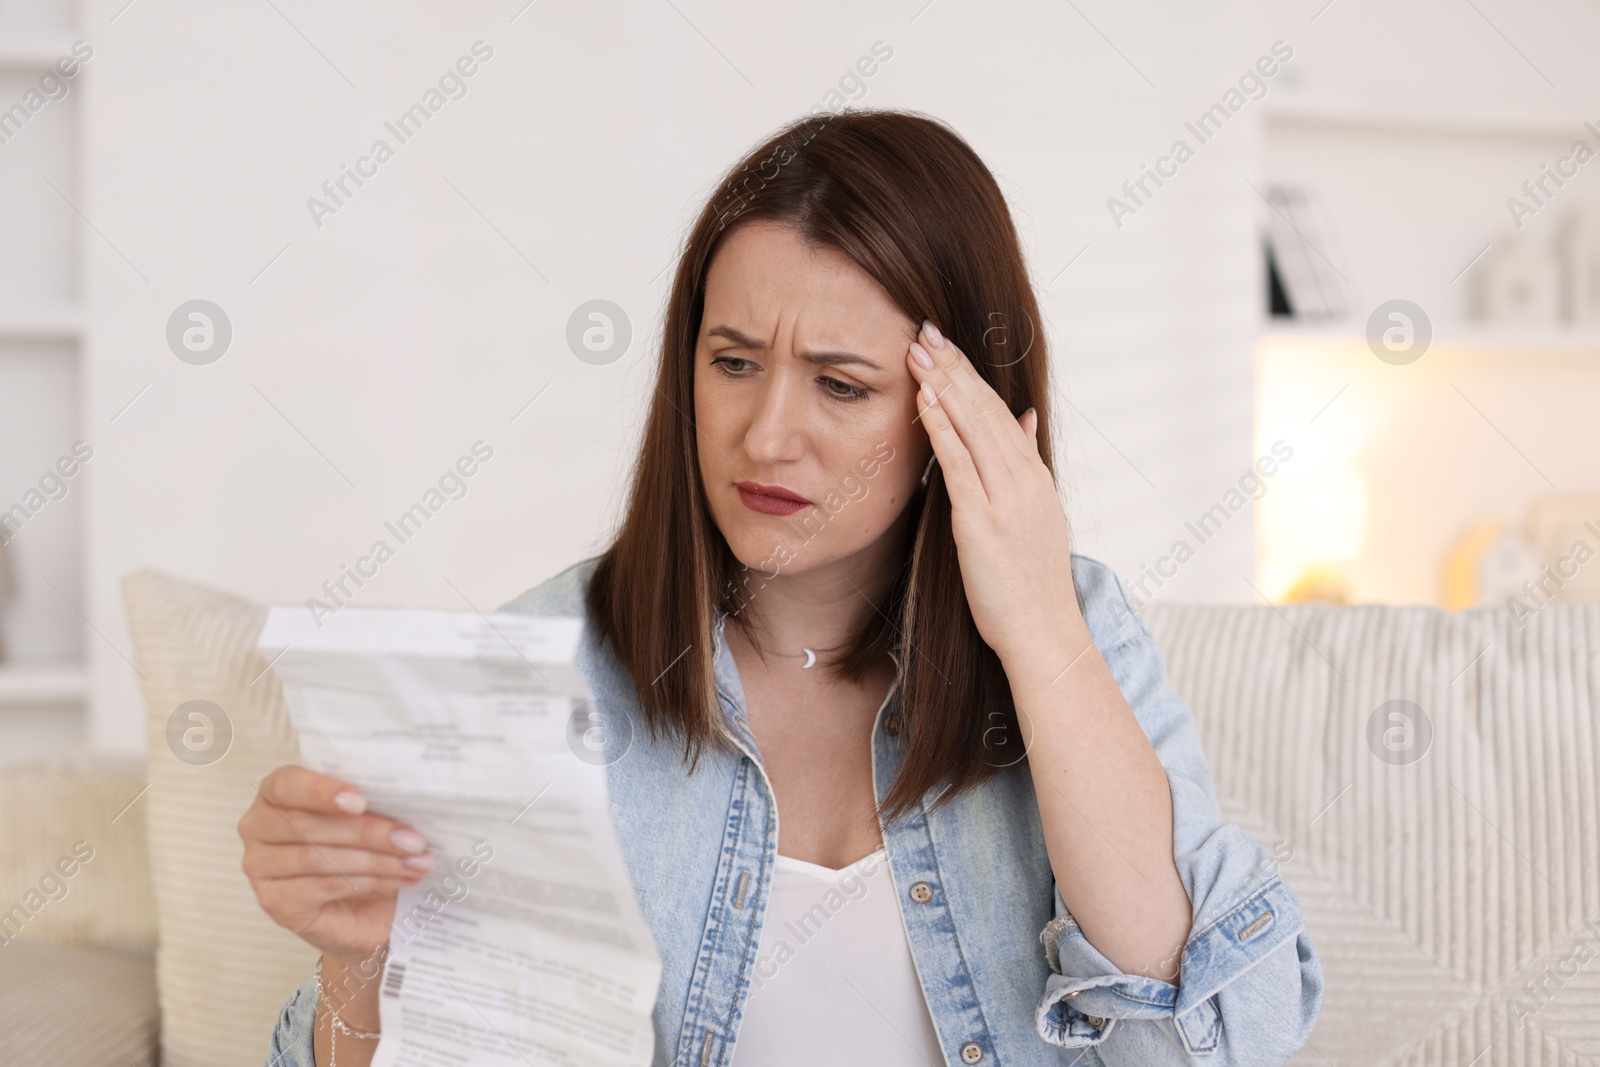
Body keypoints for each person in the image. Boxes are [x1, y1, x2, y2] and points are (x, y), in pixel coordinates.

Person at [240, 108, 1323, 1066]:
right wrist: (363, 959)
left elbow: (1203, 1043)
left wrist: (1037, 630)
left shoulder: (1075, 635)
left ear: (966, 417)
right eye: (733, 361)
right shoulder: (545, 662)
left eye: (840, 385)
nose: (764, 436)